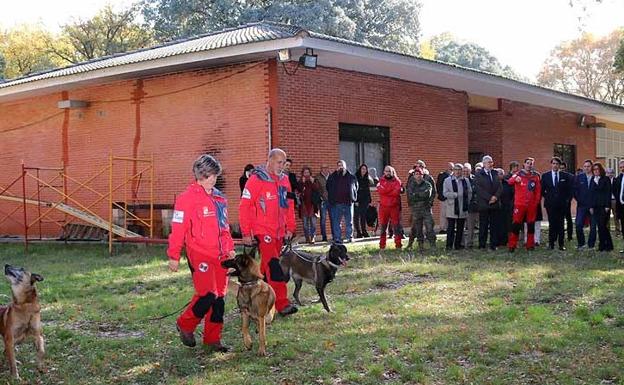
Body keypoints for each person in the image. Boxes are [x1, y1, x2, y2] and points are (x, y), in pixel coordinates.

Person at [167, 154, 236, 351]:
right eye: (209, 175)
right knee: (208, 295)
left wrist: (229, 247)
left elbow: (224, 227)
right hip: (199, 254)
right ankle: (185, 324)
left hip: (220, 255)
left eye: (215, 175)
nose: (213, 179)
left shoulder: (219, 198)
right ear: (200, 175)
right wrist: (174, 256)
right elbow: (178, 229)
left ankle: (213, 339)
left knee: (219, 299)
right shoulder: (186, 199)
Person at [240, 148, 298, 316]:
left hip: (279, 232)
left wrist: (290, 227)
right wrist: (246, 232)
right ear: (270, 161)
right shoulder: (256, 180)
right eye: (279, 163)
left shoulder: (285, 180)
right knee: (274, 265)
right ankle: (282, 303)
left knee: (266, 267)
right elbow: (245, 207)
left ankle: (256, 298)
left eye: (284, 163)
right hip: (263, 230)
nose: (282, 166)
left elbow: (289, 205)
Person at [507, 157, 541, 252]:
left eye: (531, 163)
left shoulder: (535, 176)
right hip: (519, 204)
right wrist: (515, 179)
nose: (529, 165)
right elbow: (509, 181)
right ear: (524, 164)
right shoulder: (518, 174)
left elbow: (538, 191)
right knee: (516, 225)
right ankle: (512, 245)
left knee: (531, 225)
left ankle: (530, 245)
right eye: (528, 163)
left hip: (531, 205)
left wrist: (536, 202)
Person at [542, 157, 572, 251]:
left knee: (561, 224)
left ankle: (561, 244)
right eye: (553, 163)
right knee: (552, 224)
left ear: (559, 165)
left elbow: (569, 190)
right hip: (550, 204)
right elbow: (542, 190)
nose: (555, 165)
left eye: (557, 164)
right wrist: (548, 197)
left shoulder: (565, 176)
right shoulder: (545, 176)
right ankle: (551, 244)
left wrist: (567, 200)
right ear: (551, 164)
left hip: (562, 204)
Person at [475, 155, 502, 250]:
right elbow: (479, 189)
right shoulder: (479, 174)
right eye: (489, 162)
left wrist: (495, 197)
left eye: (491, 162)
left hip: (495, 204)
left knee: (494, 226)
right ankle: (482, 245)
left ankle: (493, 244)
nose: (491, 164)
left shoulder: (495, 173)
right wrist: (489, 197)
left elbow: (500, 187)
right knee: (484, 225)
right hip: (484, 204)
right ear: (484, 164)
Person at [326, 160, 358, 243]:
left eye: (342, 165)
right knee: (336, 222)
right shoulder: (332, 177)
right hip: (337, 203)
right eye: (339, 165)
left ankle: (349, 237)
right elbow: (328, 186)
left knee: (349, 221)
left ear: (345, 166)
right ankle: (337, 238)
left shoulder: (351, 176)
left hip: (348, 203)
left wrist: (353, 197)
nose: (340, 167)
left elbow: (356, 187)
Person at [406, 167, 436, 251]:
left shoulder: (427, 184)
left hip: (426, 209)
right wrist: (420, 195)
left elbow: (427, 194)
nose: (418, 176)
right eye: (416, 174)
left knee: (429, 228)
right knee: (417, 229)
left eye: (420, 174)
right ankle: (420, 246)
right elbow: (410, 196)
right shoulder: (411, 185)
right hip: (416, 210)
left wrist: (416, 195)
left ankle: (432, 245)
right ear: (414, 175)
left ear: (423, 175)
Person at [443, 163, 471, 250]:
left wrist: (467, 201)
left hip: (462, 207)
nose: (458, 172)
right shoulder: (447, 180)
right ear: (453, 171)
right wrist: (455, 195)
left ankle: (458, 245)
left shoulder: (465, 180)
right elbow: (445, 193)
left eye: (459, 170)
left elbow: (470, 192)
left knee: (460, 228)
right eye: (456, 170)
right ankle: (449, 245)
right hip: (452, 207)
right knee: (451, 228)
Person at [589, 162, 613, 252]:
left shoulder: (606, 179)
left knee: (603, 226)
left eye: (597, 169)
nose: (595, 171)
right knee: (601, 226)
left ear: (600, 170)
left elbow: (608, 192)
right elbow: (591, 194)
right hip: (595, 207)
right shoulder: (592, 179)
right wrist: (591, 206)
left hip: (604, 206)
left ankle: (602, 246)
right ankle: (608, 245)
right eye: (594, 169)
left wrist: (607, 205)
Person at [377, 165, 403, 249]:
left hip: (394, 207)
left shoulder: (397, 181)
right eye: (386, 171)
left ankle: (398, 245)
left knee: (396, 227)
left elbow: (396, 192)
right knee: (383, 227)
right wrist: (390, 190)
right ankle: (382, 245)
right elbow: (380, 191)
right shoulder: (381, 180)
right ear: (384, 172)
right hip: (383, 207)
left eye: (389, 171)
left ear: (392, 172)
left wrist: (386, 191)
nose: (387, 173)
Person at [573, 160, 595, 250]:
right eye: (585, 166)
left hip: (593, 207)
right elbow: (575, 191)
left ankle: (591, 245)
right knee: (578, 224)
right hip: (582, 206)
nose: (586, 168)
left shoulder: (596, 177)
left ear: (592, 167)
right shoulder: (579, 177)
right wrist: (580, 200)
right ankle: (581, 244)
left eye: (588, 166)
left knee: (593, 227)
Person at [354, 164, 377, 238]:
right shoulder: (356, 177)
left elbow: (368, 189)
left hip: (365, 200)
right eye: (362, 169)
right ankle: (358, 232)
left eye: (365, 169)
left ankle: (364, 231)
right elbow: (354, 190)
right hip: (357, 199)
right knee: (356, 216)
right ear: (360, 169)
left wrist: (369, 200)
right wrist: (355, 200)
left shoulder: (367, 178)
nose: (364, 170)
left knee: (363, 216)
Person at [299, 166, 320, 244]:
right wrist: (303, 183)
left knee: (313, 223)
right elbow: (299, 191)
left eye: (308, 172)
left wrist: (312, 182)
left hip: (312, 205)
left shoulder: (314, 180)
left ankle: (313, 237)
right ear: (303, 174)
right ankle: (307, 237)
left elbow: (317, 189)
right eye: (305, 173)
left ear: (310, 173)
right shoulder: (301, 181)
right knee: (305, 224)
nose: (306, 174)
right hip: (304, 205)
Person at [500, 161, 519, 247]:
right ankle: (505, 240)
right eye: (514, 167)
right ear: (511, 168)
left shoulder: (519, 177)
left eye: (517, 167)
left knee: (515, 223)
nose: (516, 169)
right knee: (507, 223)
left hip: (517, 202)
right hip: (507, 203)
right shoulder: (506, 178)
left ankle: (514, 240)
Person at [462, 163, 479, 248]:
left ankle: (469, 243)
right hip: (460, 206)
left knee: (471, 226)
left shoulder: (474, 179)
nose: (465, 172)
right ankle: (461, 243)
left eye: (467, 170)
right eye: (464, 170)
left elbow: (476, 191)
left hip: (472, 206)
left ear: (470, 170)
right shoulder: (459, 179)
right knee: (460, 227)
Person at [436, 163, 454, 233]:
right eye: (450, 167)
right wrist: (441, 195)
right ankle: (442, 228)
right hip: (443, 198)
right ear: (446, 168)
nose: (451, 169)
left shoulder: (454, 176)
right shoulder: (442, 175)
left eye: (452, 167)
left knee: (451, 214)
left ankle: (450, 227)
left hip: (451, 198)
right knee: (443, 214)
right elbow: (438, 186)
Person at [559, 161, 574, 241]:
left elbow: (572, 189)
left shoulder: (570, 176)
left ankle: (569, 235)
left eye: (563, 168)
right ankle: (560, 234)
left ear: (565, 168)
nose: (561, 170)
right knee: (559, 218)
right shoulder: (557, 176)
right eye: (560, 168)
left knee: (568, 218)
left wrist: (569, 199)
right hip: (558, 201)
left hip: (567, 201)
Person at [316, 164, 331, 242]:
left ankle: (335, 235)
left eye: (326, 168)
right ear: (321, 169)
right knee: (323, 219)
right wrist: (321, 197)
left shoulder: (331, 176)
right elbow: (317, 189)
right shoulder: (318, 177)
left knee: (333, 219)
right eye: (323, 168)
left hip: (332, 201)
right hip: (323, 202)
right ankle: (324, 236)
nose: (325, 169)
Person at [612, 160, 624, 253]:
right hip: (621, 206)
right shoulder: (618, 178)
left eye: (623, 166)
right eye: (620, 167)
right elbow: (616, 190)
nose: (622, 168)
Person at [607, 167, 619, 235]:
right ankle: (607, 230)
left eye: (611, 173)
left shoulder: (616, 180)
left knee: (616, 216)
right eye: (608, 173)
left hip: (614, 200)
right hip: (607, 201)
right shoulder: (604, 180)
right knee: (607, 216)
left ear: (613, 174)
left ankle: (617, 230)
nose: (609, 174)